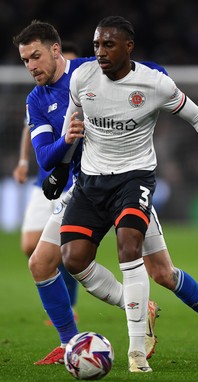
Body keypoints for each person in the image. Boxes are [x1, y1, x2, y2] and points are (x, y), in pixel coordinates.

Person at [13, 19, 198, 372]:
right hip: (85, 185)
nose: (31, 66)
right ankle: (76, 342)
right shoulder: (61, 90)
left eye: (35, 56)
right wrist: (60, 170)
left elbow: (193, 112)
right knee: (54, 260)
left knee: (160, 271)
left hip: (132, 182)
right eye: (25, 60)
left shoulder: (129, 76)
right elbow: (66, 138)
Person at [12, 41, 82, 325]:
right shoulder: (39, 96)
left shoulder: (85, 91)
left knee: (64, 250)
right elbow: (29, 130)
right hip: (44, 180)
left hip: (73, 181)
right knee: (30, 245)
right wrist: (23, 161)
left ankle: (69, 306)